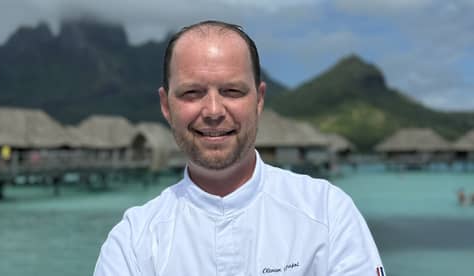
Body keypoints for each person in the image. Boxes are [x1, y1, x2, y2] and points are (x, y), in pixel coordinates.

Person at [94, 20, 385, 276]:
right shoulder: (133, 241)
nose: (212, 111)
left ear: (259, 100)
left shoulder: (327, 214)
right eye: (192, 93)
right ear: (165, 105)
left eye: (232, 91)